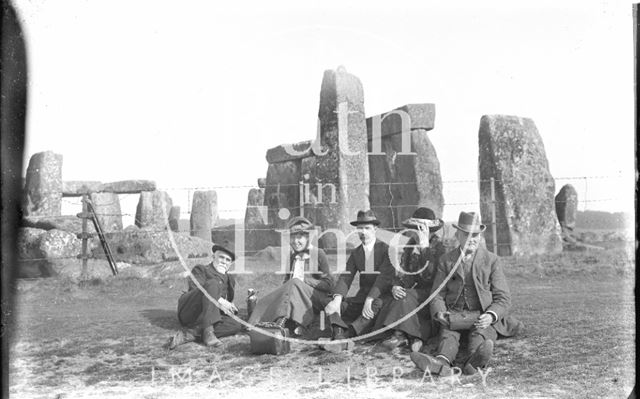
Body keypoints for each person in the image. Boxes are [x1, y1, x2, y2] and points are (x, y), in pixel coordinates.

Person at [410, 211, 522, 376]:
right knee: (448, 334)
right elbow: (437, 294)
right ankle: (441, 363)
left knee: (480, 334)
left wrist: (491, 315)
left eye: (476, 234)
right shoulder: (446, 260)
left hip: (481, 315)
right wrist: (440, 312)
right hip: (454, 315)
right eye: (467, 234)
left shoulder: (491, 260)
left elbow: (503, 297)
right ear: (458, 235)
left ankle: (474, 361)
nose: (472, 238)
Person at [374, 207, 447, 352]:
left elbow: (431, 274)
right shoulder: (410, 245)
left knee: (408, 297)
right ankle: (408, 337)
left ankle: (404, 335)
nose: (417, 232)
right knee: (399, 295)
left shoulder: (441, 247)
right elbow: (404, 272)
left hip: (437, 291)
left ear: (430, 230)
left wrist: (425, 247)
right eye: (415, 228)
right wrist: (396, 286)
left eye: (421, 229)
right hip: (419, 290)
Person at [248, 216, 334, 335]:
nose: (295, 241)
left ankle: (281, 324)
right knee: (270, 298)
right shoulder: (292, 256)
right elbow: (286, 282)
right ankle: (256, 324)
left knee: (294, 283)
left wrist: (304, 281)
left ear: (308, 237)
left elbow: (329, 284)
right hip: (294, 295)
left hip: (315, 297)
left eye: (300, 237)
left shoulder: (319, 253)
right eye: (292, 237)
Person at [322, 210, 395, 342]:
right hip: (362, 298)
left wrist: (370, 298)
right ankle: (338, 333)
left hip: (381, 297)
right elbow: (346, 277)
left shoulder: (386, 250)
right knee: (330, 301)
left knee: (375, 305)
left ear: (375, 229)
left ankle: (347, 335)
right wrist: (337, 299)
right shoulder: (357, 253)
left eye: (367, 228)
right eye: (360, 228)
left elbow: (384, 279)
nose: (363, 232)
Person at [167, 244, 243, 349]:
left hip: (206, 317)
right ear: (213, 257)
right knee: (212, 283)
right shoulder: (201, 269)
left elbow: (219, 307)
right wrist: (221, 301)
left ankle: (192, 333)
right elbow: (196, 290)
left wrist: (229, 309)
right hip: (191, 311)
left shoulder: (230, 279)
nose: (224, 262)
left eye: (228, 260)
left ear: (230, 263)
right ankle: (207, 332)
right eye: (221, 257)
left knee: (236, 325)